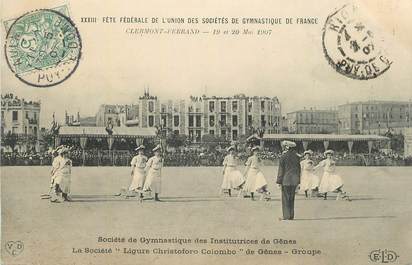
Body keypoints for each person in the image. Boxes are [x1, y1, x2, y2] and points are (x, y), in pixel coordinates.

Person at [276, 140, 301, 221]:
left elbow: (281, 170)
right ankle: (291, 216)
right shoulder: (297, 157)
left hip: (285, 180)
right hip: (294, 180)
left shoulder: (283, 157)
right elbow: (298, 170)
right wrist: (298, 181)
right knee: (292, 198)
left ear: (287, 147)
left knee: (285, 199)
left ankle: (286, 216)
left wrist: (279, 181)